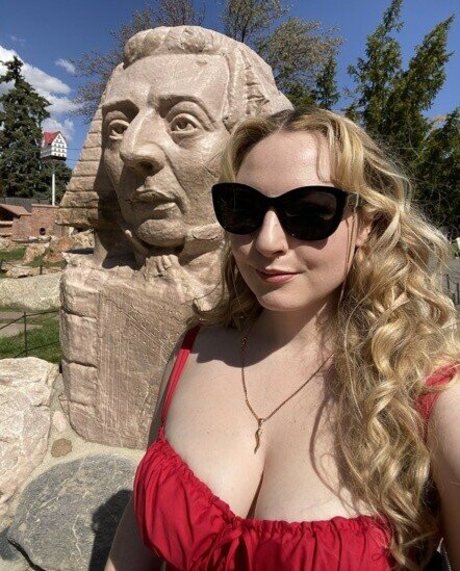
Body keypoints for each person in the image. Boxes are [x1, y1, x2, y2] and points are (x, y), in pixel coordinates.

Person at [105, 108, 459, 570]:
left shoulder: (430, 395)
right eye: (243, 208)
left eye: (309, 212)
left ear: (367, 225)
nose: (267, 242)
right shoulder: (195, 350)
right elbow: (133, 545)